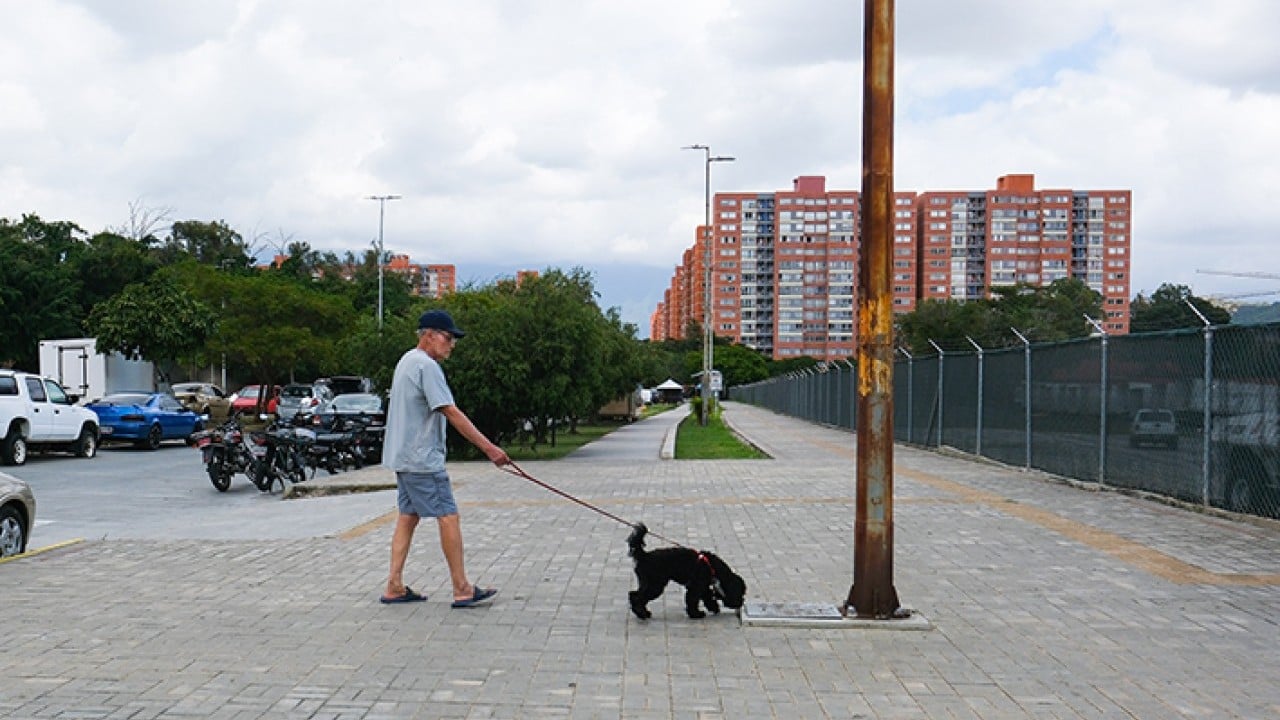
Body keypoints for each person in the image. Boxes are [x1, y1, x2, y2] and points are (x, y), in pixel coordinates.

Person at [380, 309, 511, 607]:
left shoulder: (406, 361)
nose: (452, 344)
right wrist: (489, 448)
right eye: (448, 338)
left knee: (408, 516)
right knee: (448, 516)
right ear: (428, 335)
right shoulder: (427, 367)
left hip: (403, 458)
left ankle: (394, 585)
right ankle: (462, 588)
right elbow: (450, 410)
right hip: (422, 460)